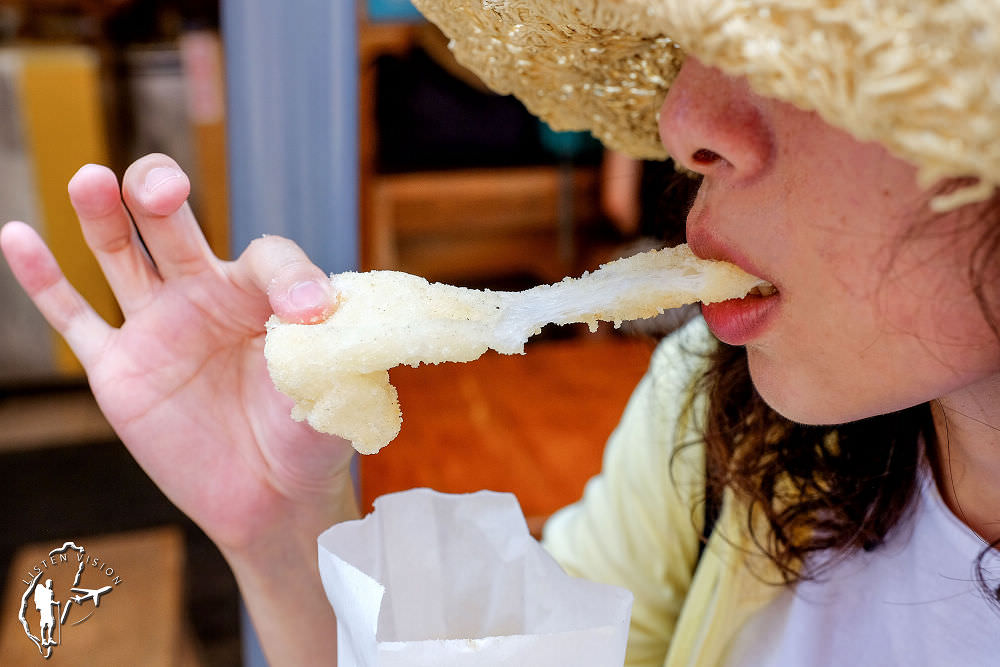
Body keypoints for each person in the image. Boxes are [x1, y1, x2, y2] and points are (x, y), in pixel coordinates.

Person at [2, 0, 998, 664]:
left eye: (817, 54)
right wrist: (281, 537)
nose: (682, 116)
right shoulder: (717, 413)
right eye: (697, 42)